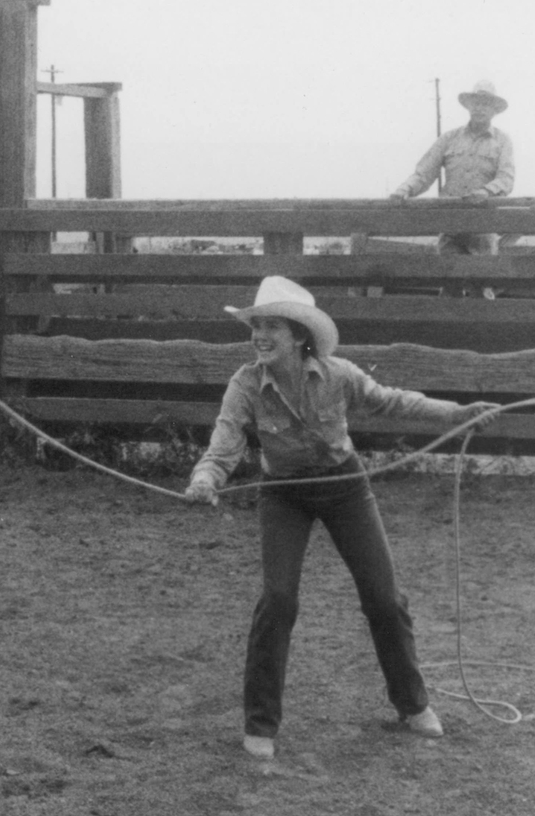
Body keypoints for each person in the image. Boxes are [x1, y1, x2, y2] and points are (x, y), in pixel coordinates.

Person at [182, 276, 499, 761]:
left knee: (384, 598)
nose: (260, 336)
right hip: (283, 493)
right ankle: (260, 722)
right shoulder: (245, 384)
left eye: (272, 327)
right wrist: (206, 480)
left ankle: (412, 704)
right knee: (278, 600)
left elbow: (394, 400)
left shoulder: (339, 375)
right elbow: (224, 445)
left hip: (345, 486)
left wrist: (455, 414)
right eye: (256, 326)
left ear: (298, 336)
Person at [389, 80, 514, 256]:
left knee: (483, 277)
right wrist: (404, 189)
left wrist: (486, 191)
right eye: (475, 103)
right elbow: (424, 172)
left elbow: (506, 178)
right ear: (468, 107)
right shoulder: (449, 138)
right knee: (448, 277)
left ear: (494, 110)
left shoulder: (502, 141)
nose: (480, 108)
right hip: (450, 223)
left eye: (486, 104)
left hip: (483, 224)